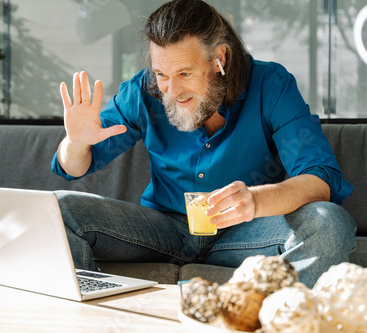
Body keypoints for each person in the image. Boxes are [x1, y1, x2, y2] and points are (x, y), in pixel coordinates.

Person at [51, 0, 356, 288]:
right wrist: (76, 141)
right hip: (163, 230)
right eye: (162, 75)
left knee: (329, 224)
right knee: (60, 209)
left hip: (244, 233)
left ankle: (280, 322)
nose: (172, 90)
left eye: (184, 73)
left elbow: (321, 177)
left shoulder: (270, 85)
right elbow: (76, 166)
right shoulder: (143, 91)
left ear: (219, 59)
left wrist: (255, 201)